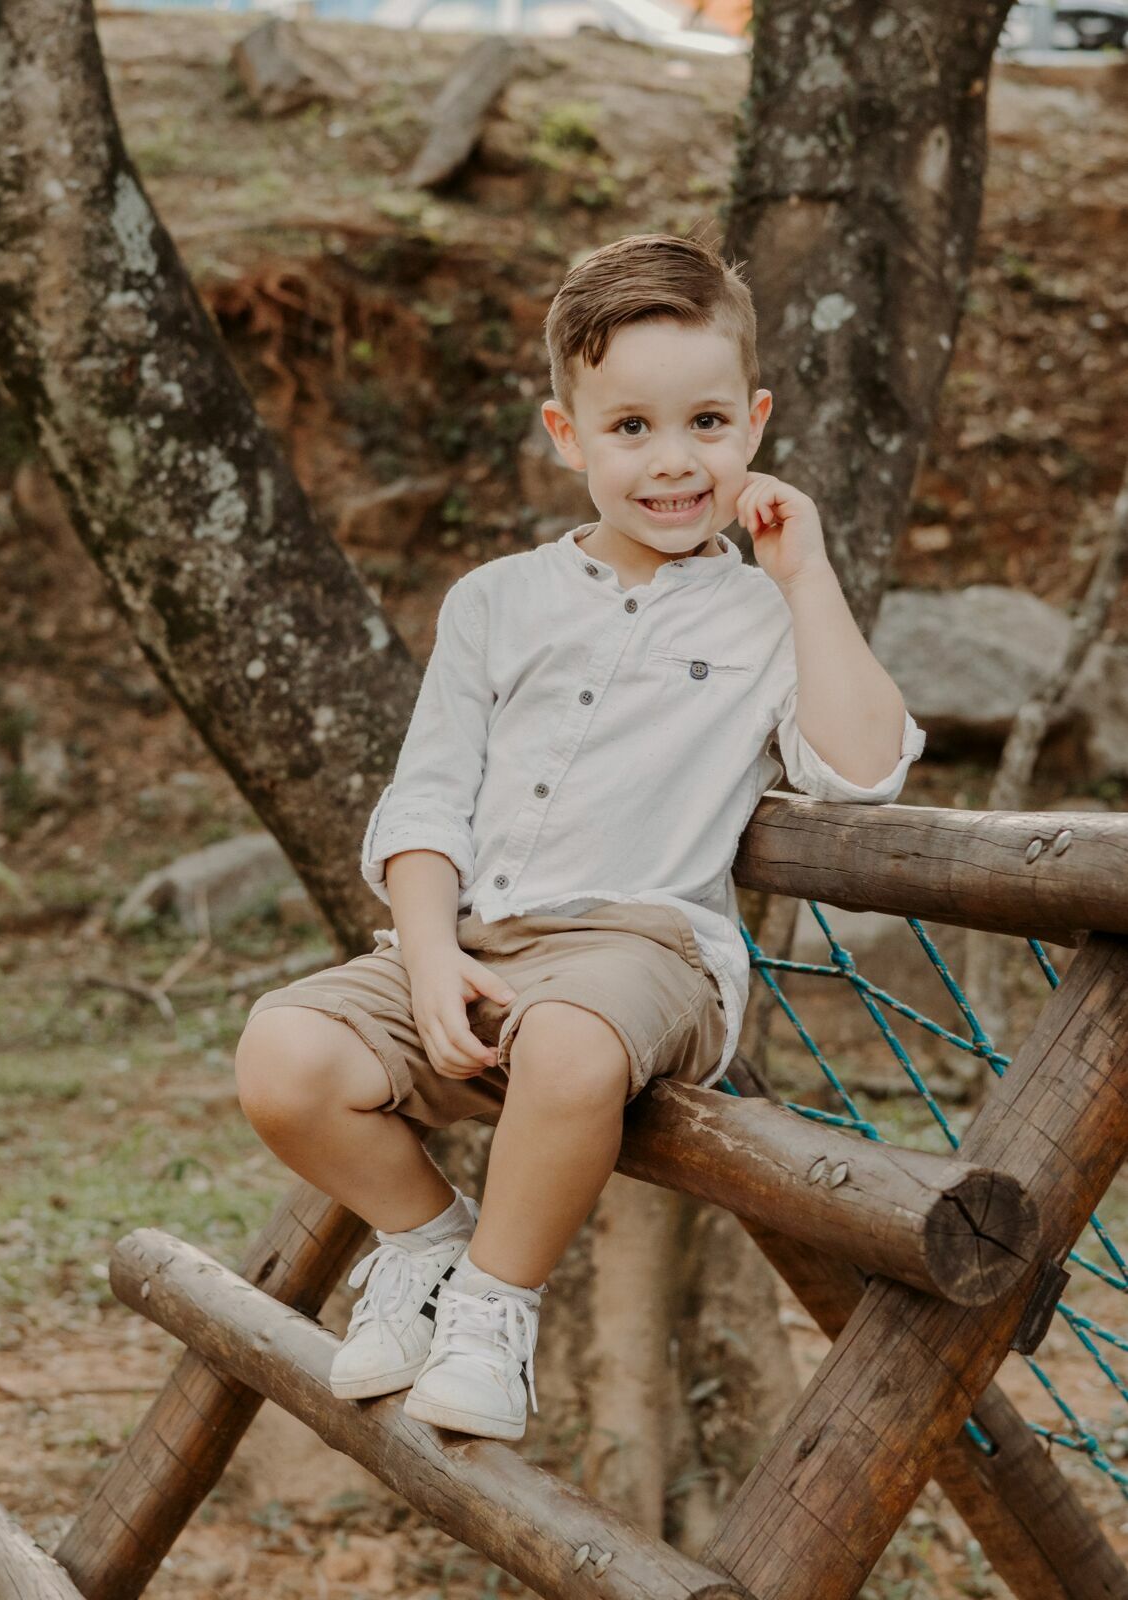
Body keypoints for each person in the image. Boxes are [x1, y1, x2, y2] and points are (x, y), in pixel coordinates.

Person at [234, 232, 925, 1443]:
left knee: (564, 1037)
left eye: (706, 423)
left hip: (644, 952)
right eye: (631, 428)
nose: (674, 461)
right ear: (568, 435)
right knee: (282, 1055)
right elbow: (427, 797)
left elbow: (862, 772)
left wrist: (807, 577)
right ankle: (427, 1242)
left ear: (754, 423)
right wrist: (429, 954)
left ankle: (494, 1310)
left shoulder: (766, 614)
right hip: (476, 940)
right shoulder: (496, 601)